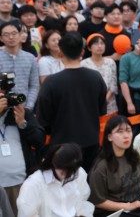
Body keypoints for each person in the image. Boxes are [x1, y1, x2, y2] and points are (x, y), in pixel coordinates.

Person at [35, 32, 107, 171]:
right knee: (88, 181)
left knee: (64, 182)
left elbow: (43, 119)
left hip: (62, 144)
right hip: (91, 141)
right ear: (82, 52)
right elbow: (101, 110)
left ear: (60, 53)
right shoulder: (95, 77)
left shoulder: (51, 82)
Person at [89, 115, 140, 217]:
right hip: (116, 212)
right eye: (120, 131)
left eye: (128, 130)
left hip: (137, 205)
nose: (126, 135)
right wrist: (127, 206)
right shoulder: (101, 166)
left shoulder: (134, 155)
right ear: (109, 137)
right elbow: (98, 201)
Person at [0, 76, 45, 217]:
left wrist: (23, 124)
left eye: (4, 92)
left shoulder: (20, 112)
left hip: (22, 183)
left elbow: (39, 141)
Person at [16, 143, 94, 217]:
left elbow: (82, 199)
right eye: (63, 172)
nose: (67, 176)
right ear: (54, 164)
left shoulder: (79, 173)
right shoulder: (34, 183)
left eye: (71, 173)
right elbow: (27, 214)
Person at [0, 21, 39, 109]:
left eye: (14, 33)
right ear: (1, 38)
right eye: (6, 35)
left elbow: (34, 85)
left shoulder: (30, 58)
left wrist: (29, 106)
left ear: (20, 35)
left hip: (24, 107)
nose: (11, 37)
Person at [81, 33, 119, 115]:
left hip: (110, 103)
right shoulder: (83, 64)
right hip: (90, 103)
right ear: (89, 48)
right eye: (96, 43)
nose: (99, 46)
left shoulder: (111, 62)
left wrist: (105, 99)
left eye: (102, 43)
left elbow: (113, 83)